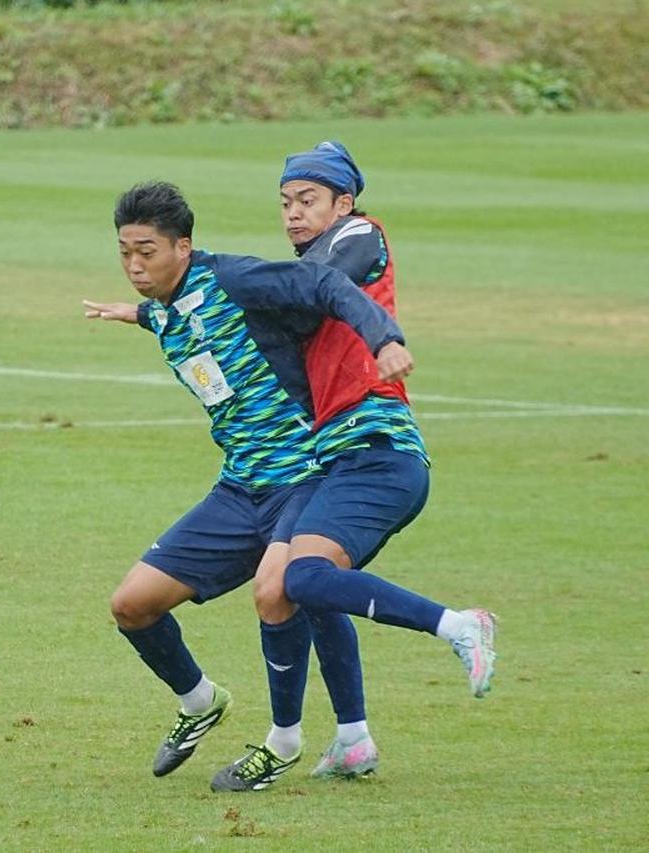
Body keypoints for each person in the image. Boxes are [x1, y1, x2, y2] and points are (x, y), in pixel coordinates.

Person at [83, 180, 414, 781]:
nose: (134, 265)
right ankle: (200, 702)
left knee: (284, 589)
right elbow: (179, 316)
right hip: (240, 488)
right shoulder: (165, 308)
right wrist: (138, 314)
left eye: (147, 252)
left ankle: (285, 742)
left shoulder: (235, 279)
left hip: (306, 475)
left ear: (183, 247)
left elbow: (323, 285)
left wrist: (384, 338)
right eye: (125, 252)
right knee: (132, 605)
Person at [212, 142, 496, 793]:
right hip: (335, 458)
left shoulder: (361, 235)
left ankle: (458, 625)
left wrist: (220, 275)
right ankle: (352, 738)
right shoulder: (304, 268)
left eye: (307, 199)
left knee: (306, 576)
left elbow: (312, 291)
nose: (292, 212)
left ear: (343, 202)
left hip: (378, 450)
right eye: (285, 202)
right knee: (293, 585)